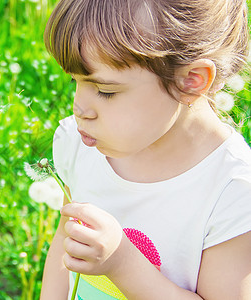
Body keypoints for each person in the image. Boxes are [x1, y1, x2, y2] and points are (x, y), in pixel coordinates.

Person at [40, 0, 251, 299]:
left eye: (105, 91)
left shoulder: (231, 192)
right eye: (75, 81)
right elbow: (65, 241)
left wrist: (122, 264)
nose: (79, 108)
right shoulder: (81, 145)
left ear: (191, 81)